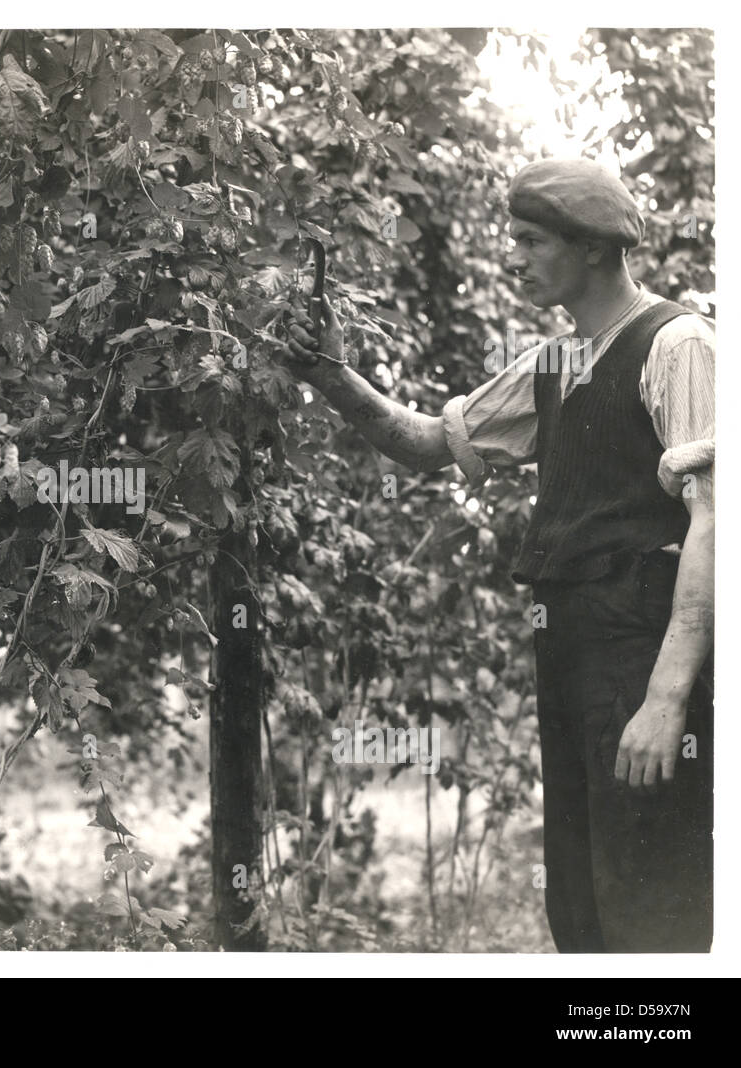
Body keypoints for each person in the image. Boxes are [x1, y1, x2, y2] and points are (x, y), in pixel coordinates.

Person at [283, 158, 714, 952]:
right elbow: (425, 443)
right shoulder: (554, 361)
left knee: (655, 898)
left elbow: (717, 525)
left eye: (529, 240)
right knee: (583, 905)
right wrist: (331, 374)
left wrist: (666, 701)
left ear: (590, 248)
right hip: (574, 652)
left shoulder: (679, 344)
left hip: (646, 652)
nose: (512, 257)